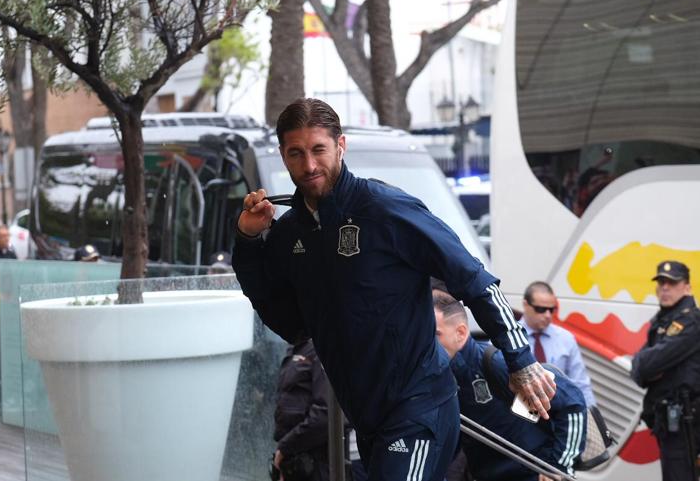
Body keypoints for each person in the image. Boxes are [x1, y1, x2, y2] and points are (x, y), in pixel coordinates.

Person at [232, 98, 554, 481]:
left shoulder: (384, 208)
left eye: (319, 149)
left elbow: (474, 279)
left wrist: (521, 360)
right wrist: (249, 242)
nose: (310, 165)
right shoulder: (290, 232)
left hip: (418, 408)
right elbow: (286, 318)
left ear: (341, 146)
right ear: (284, 156)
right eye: (296, 153)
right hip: (367, 417)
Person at [434, 290, 588, 481]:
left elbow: (572, 403)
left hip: (534, 473)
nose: (427, 342)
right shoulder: (440, 375)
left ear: (461, 332)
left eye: (435, 334)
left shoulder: (497, 363)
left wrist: (559, 467)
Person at [631, 261, 699, 481]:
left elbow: (649, 364)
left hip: (686, 422)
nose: (665, 288)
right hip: (669, 421)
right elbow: (639, 368)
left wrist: (647, 366)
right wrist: (645, 366)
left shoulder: (690, 321)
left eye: (672, 283)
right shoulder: (664, 319)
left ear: (687, 287)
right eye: (661, 282)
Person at [520, 281, 596, 406]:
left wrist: (591, 419)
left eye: (551, 310)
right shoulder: (507, 336)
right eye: (541, 309)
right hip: (517, 410)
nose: (547, 315)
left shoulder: (566, 339)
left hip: (558, 413)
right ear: (525, 305)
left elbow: (581, 384)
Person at [272, 338, 332, 481]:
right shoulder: (295, 349)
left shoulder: (319, 349)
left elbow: (325, 413)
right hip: (295, 460)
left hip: (316, 460)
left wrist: (286, 447)